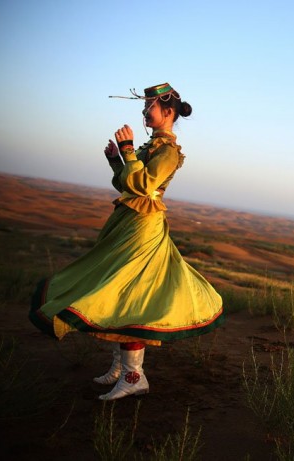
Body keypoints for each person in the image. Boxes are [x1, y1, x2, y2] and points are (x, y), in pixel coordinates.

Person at [29, 83, 224, 400]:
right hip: (129, 225)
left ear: (168, 111)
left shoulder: (168, 151)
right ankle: (122, 369)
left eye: (150, 107)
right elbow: (126, 182)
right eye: (145, 106)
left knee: (129, 295)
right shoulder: (152, 147)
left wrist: (129, 151)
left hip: (143, 232)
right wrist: (117, 161)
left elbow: (144, 185)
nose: (145, 112)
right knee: (119, 293)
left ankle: (135, 377)